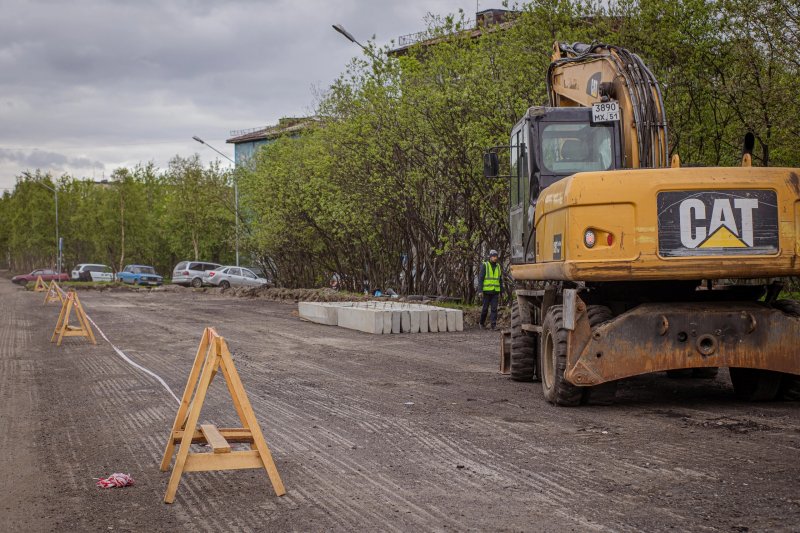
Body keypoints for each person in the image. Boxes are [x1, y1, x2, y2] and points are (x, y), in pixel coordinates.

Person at [478, 249, 503, 330]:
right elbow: (481, 279)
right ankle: (481, 323)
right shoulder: (485, 265)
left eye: (496, 256)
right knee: (485, 308)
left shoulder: (498, 266)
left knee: (494, 309)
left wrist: (502, 290)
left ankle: (493, 325)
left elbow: (500, 279)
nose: (495, 258)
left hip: (495, 291)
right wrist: (480, 291)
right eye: (494, 256)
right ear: (490, 257)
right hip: (486, 291)